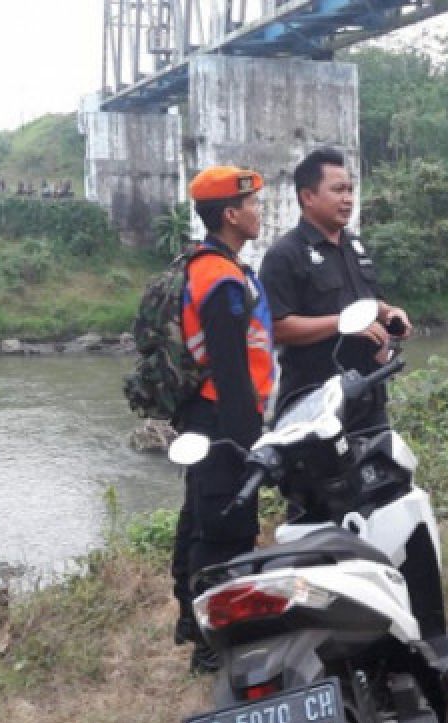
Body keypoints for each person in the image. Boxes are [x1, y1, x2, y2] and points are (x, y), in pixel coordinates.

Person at [170, 165, 275, 673]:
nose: (259, 211)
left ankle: (198, 627)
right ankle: (212, 645)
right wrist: (249, 443)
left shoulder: (213, 266)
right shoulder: (220, 279)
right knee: (224, 528)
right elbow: (232, 371)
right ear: (230, 215)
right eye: (252, 204)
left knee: (201, 518)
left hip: (207, 413)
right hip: (221, 417)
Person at [259, 147, 411, 432]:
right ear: (308, 197)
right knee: (320, 477)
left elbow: (371, 302)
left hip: (367, 394)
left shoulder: (355, 246)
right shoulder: (285, 255)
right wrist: (341, 324)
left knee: (382, 474)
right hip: (313, 401)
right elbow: (276, 328)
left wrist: (389, 313)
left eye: (351, 190)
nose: (348, 199)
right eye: (338, 190)